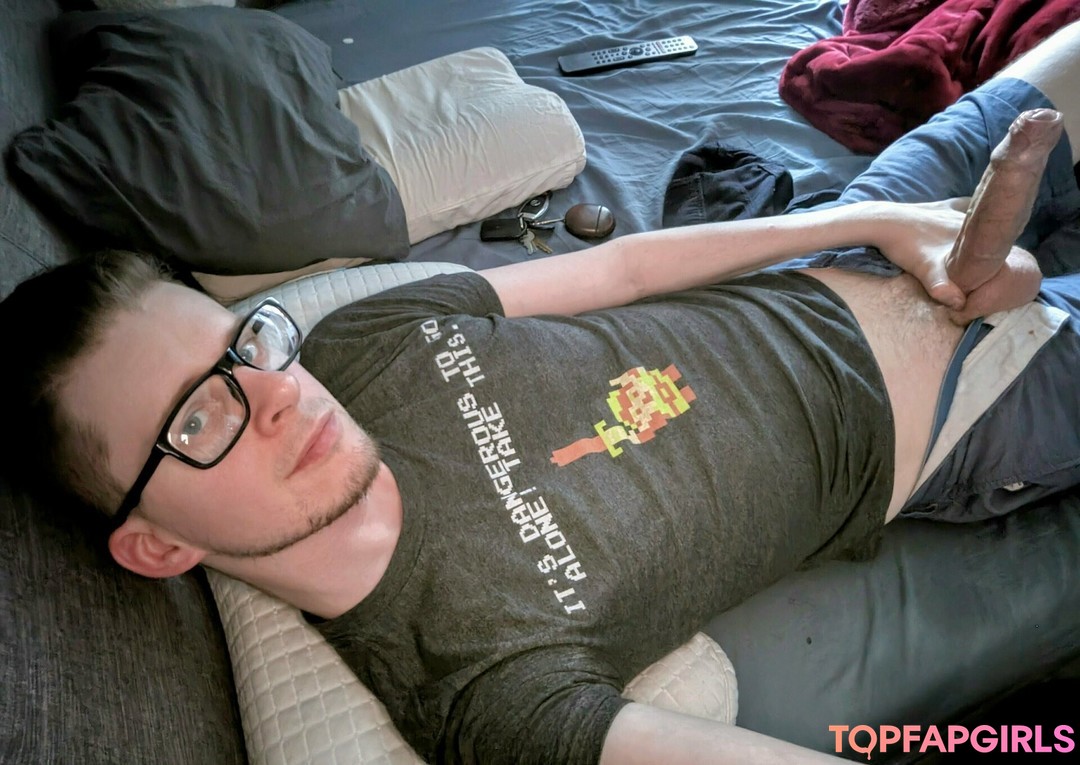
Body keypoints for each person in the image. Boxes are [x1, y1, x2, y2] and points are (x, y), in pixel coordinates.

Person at [4, 19, 1080, 765]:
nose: (274, 396)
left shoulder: (350, 341)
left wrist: (876, 224)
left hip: (845, 244)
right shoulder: (483, 690)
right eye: (198, 418)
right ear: (157, 545)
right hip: (982, 400)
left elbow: (623, 269)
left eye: (243, 349)